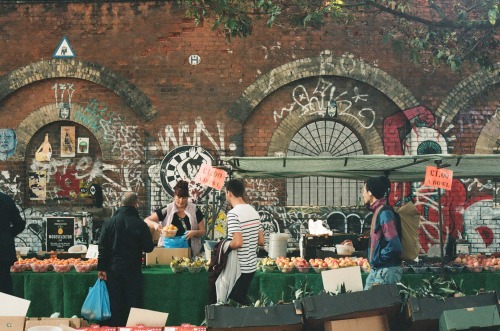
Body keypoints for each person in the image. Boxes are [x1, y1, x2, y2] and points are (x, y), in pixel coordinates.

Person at [97, 192, 155, 327]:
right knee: (132, 305)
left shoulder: (109, 223)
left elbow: (102, 247)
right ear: (135, 204)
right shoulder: (140, 224)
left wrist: (101, 268)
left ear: (121, 204)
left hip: (113, 271)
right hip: (133, 271)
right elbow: (148, 248)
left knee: (115, 305)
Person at [224, 179, 264, 305]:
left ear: (229, 193)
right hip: (251, 267)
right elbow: (261, 241)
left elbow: (237, 242)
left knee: (232, 303)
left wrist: (222, 245)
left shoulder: (233, 214)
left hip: (239, 269)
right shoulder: (254, 212)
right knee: (241, 300)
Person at [145, 180, 205, 256]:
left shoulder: (195, 210)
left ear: (188, 197)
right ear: (174, 195)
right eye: (178, 197)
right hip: (167, 251)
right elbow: (146, 220)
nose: (181, 201)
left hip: (189, 252)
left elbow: (203, 231)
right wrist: (155, 225)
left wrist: (194, 233)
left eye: (184, 198)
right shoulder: (166, 210)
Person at [363, 176, 403, 290]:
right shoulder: (379, 211)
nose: (362, 194)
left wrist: (379, 258)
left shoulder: (384, 213)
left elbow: (394, 245)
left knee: (382, 306)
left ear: (370, 192)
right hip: (378, 270)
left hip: (386, 271)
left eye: (363, 190)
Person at [0, 191, 26, 295]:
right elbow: (19, 224)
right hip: (4, 252)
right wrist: (7, 235)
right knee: (5, 287)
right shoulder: (6, 199)